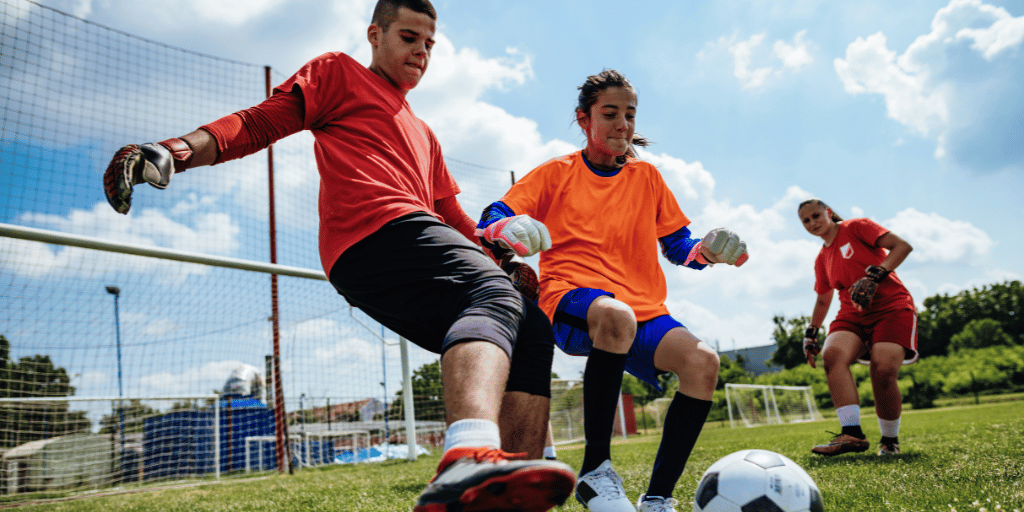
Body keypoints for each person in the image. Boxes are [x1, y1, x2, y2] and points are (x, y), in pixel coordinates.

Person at [100, 1, 575, 510]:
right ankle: (468, 456)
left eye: (429, 44)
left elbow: (454, 220)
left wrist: (499, 254)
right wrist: (177, 150)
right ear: (376, 34)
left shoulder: (426, 134)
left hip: (408, 240)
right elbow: (261, 122)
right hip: (371, 231)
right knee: (490, 293)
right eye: (409, 37)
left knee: (531, 326)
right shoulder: (339, 72)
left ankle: (502, 495)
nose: (421, 52)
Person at [476, 69, 749, 512]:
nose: (623, 123)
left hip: (641, 309)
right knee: (615, 315)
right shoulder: (556, 173)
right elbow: (494, 214)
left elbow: (679, 247)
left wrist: (708, 250)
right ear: (584, 120)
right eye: (610, 113)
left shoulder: (649, 179)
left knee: (703, 362)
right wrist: (507, 226)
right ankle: (595, 472)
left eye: (630, 114)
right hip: (572, 299)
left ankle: (658, 498)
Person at [797, 199, 917, 457]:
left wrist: (875, 275)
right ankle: (852, 434)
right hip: (851, 314)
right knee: (833, 355)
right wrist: (811, 333)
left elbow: (902, 246)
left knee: (882, 369)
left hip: (891, 307)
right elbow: (823, 298)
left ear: (829, 213)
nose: (812, 223)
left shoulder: (856, 227)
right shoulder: (822, 258)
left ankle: (889, 441)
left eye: (816, 215)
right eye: (805, 221)